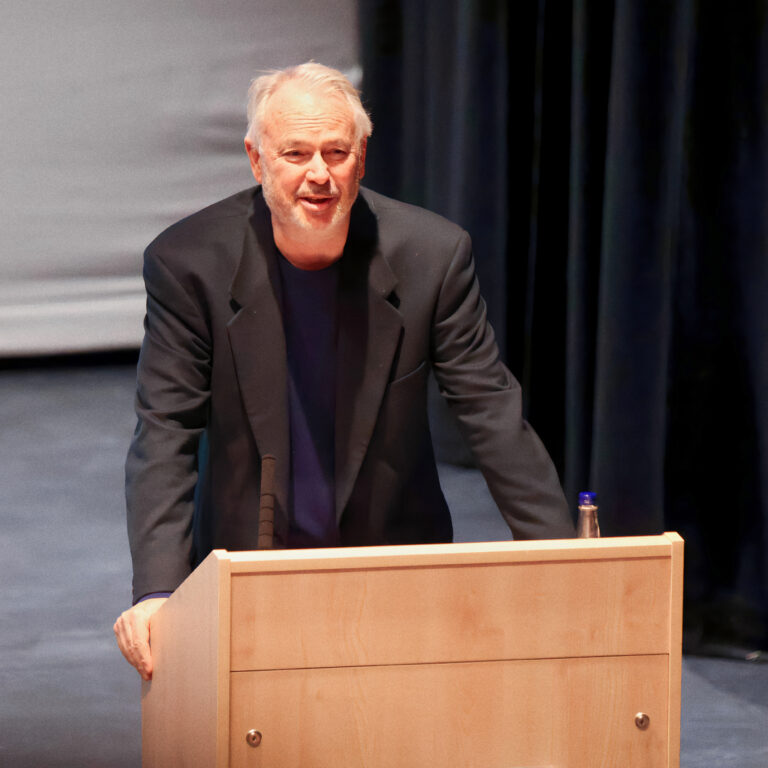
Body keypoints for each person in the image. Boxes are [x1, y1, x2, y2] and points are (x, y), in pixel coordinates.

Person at [114, 62, 575, 680]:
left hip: (395, 558)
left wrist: (565, 562)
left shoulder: (432, 256)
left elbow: (489, 407)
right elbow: (166, 431)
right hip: (248, 562)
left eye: (336, 152)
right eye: (295, 153)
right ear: (256, 160)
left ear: (361, 157)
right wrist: (157, 593)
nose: (318, 175)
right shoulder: (186, 263)